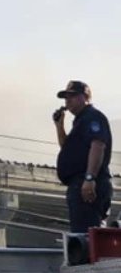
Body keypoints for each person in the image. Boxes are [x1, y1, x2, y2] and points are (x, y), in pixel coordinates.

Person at [54, 80, 113, 233]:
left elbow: (98, 146)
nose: (67, 100)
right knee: (83, 233)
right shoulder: (80, 122)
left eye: (72, 96)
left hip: (88, 183)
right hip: (79, 183)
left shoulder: (92, 117)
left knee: (85, 236)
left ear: (85, 97)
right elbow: (66, 147)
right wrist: (59, 125)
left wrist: (89, 178)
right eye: (66, 97)